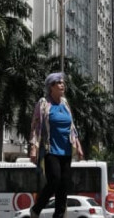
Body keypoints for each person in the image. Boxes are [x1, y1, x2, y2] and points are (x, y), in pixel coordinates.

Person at [29, 72, 84, 218]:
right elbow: (35, 126)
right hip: (51, 149)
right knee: (55, 180)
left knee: (63, 186)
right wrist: (33, 148)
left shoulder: (65, 103)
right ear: (51, 87)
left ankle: (59, 216)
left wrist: (78, 144)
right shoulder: (43, 103)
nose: (62, 85)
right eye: (59, 83)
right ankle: (36, 208)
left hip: (66, 150)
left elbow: (71, 125)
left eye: (63, 83)